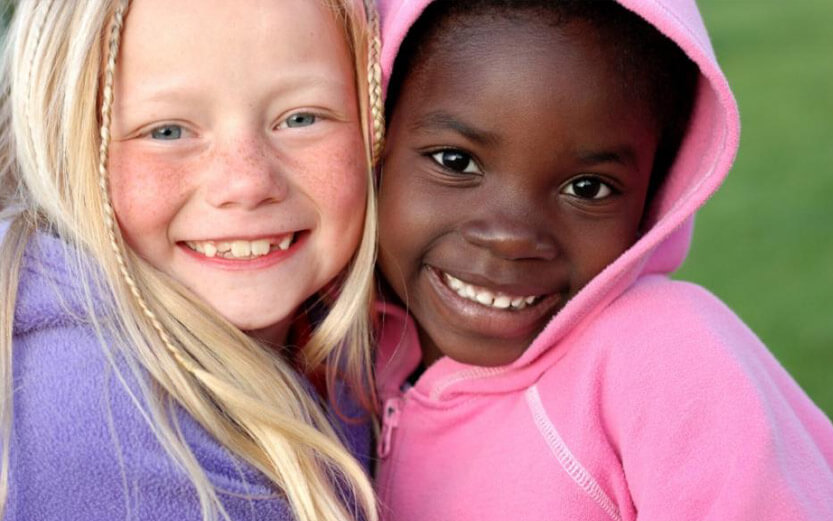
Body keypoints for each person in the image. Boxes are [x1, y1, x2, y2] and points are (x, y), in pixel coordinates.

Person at [373, 0, 833, 519]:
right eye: (456, 162)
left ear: (656, 201)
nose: (509, 237)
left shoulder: (664, 358)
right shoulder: (341, 357)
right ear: (375, 138)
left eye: (587, 188)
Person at [0, 0, 384, 520]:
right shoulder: (116, 425)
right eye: (167, 131)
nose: (247, 182)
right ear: (65, 148)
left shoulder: (357, 338)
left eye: (300, 118)